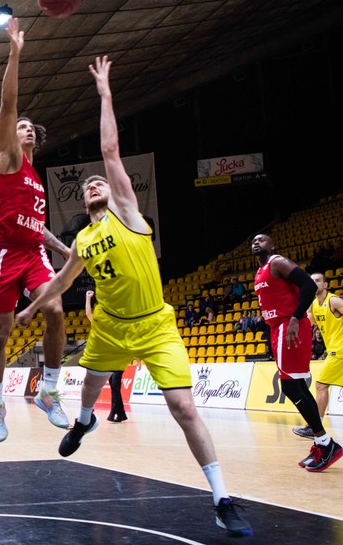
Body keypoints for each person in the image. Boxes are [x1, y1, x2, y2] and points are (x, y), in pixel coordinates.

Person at [17, 56, 252, 537]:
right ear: (83, 204)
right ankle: (82, 424)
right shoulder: (82, 240)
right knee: (88, 387)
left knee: (184, 409)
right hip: (110, 326)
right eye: (88, 188)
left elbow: (109, 149)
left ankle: (222, 498)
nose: (95, 184)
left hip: (155, 324)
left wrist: (105, 94)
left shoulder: (127, 213)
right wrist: (31, 307)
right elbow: (62, 283)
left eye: (99, 181)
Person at [0, 17, 71, 442]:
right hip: (2, 254)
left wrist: (65, 251)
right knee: (0, 334)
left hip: (33, 253)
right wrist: (15, 54)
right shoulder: (9, 160)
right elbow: (8, 105)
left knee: (55, 310)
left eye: (30, 127)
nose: (25, 127)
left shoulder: (36, 178)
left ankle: (49, 392)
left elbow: (37, 229)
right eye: (21, 126)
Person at [251, 233, 343, 471]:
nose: (256, 242)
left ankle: (325, 442)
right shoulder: (259, 273)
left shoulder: (278, 262)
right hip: (278, 328)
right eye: (254, 240)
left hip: (289, 326)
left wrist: (294, 318)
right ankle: (321, 441)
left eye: (262, 239)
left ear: (273, 244)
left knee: (290, 387)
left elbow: (309, 285)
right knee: (298, 385)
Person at [292, 273, 343, 440]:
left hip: (341, 350)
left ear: (325, 284)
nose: (314, 283)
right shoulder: (314, 305)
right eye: (311, 281)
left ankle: (315, 426)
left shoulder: (334, 301)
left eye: (318, 281)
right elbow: (306, 324)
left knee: (320, 385)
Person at [85, 289, 128, 423]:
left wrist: (137, 359)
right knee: (114, 387)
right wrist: (88, 298)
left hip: (119, 361)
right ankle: (121, 414)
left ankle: (113, 413)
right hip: (108, 361)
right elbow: (88, 314)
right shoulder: (99, 325)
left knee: (115, 386)